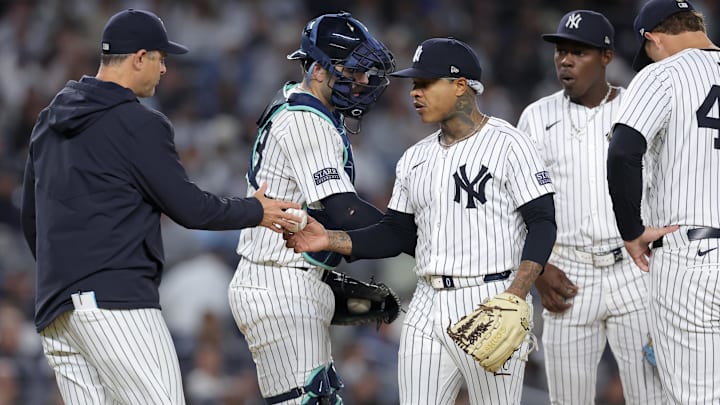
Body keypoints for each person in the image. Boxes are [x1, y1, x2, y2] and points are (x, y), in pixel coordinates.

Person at [20, 9, 300, 405]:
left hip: (57, 313)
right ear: (138, 58)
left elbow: (32, 221)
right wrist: (257, 210)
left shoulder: (48, 121)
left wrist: (67, 278)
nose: (165, 69)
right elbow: (190, 209)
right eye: (160, 57)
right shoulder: (138, 123)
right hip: (117, 304)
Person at [286, 37, 557, 405]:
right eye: (413, 85)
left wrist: (516, 294)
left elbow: (542, 222)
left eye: (425, 83)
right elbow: (395, 234)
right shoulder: (414, 158)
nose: (414, 93)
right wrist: (329, 239)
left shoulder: (510, 144)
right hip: (426, 302)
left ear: (461, 86)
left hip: (491, 298)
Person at [227, 12, 397, 404]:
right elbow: (344, 211)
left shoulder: (304, 110)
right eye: (353, 71)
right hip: (280, 282)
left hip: (284, 278)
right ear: (318, 69)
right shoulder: (306, 120)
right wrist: (407, 234)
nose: (363, 82)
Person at [516, 10, 663, 404]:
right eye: (561, 51)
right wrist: (539, 270)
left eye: (578, 52)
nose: (565, 60)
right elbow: (517, 205)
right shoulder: (536, 116)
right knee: (567, 399)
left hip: (634, 270)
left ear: (606, 56)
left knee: (653, 395)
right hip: (568, 273)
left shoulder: (638, 105)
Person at [606, 0, 720, 403]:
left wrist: (632, 231)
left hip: (693, 257)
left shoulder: (663, 74)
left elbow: (622, 152)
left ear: (652, 37)